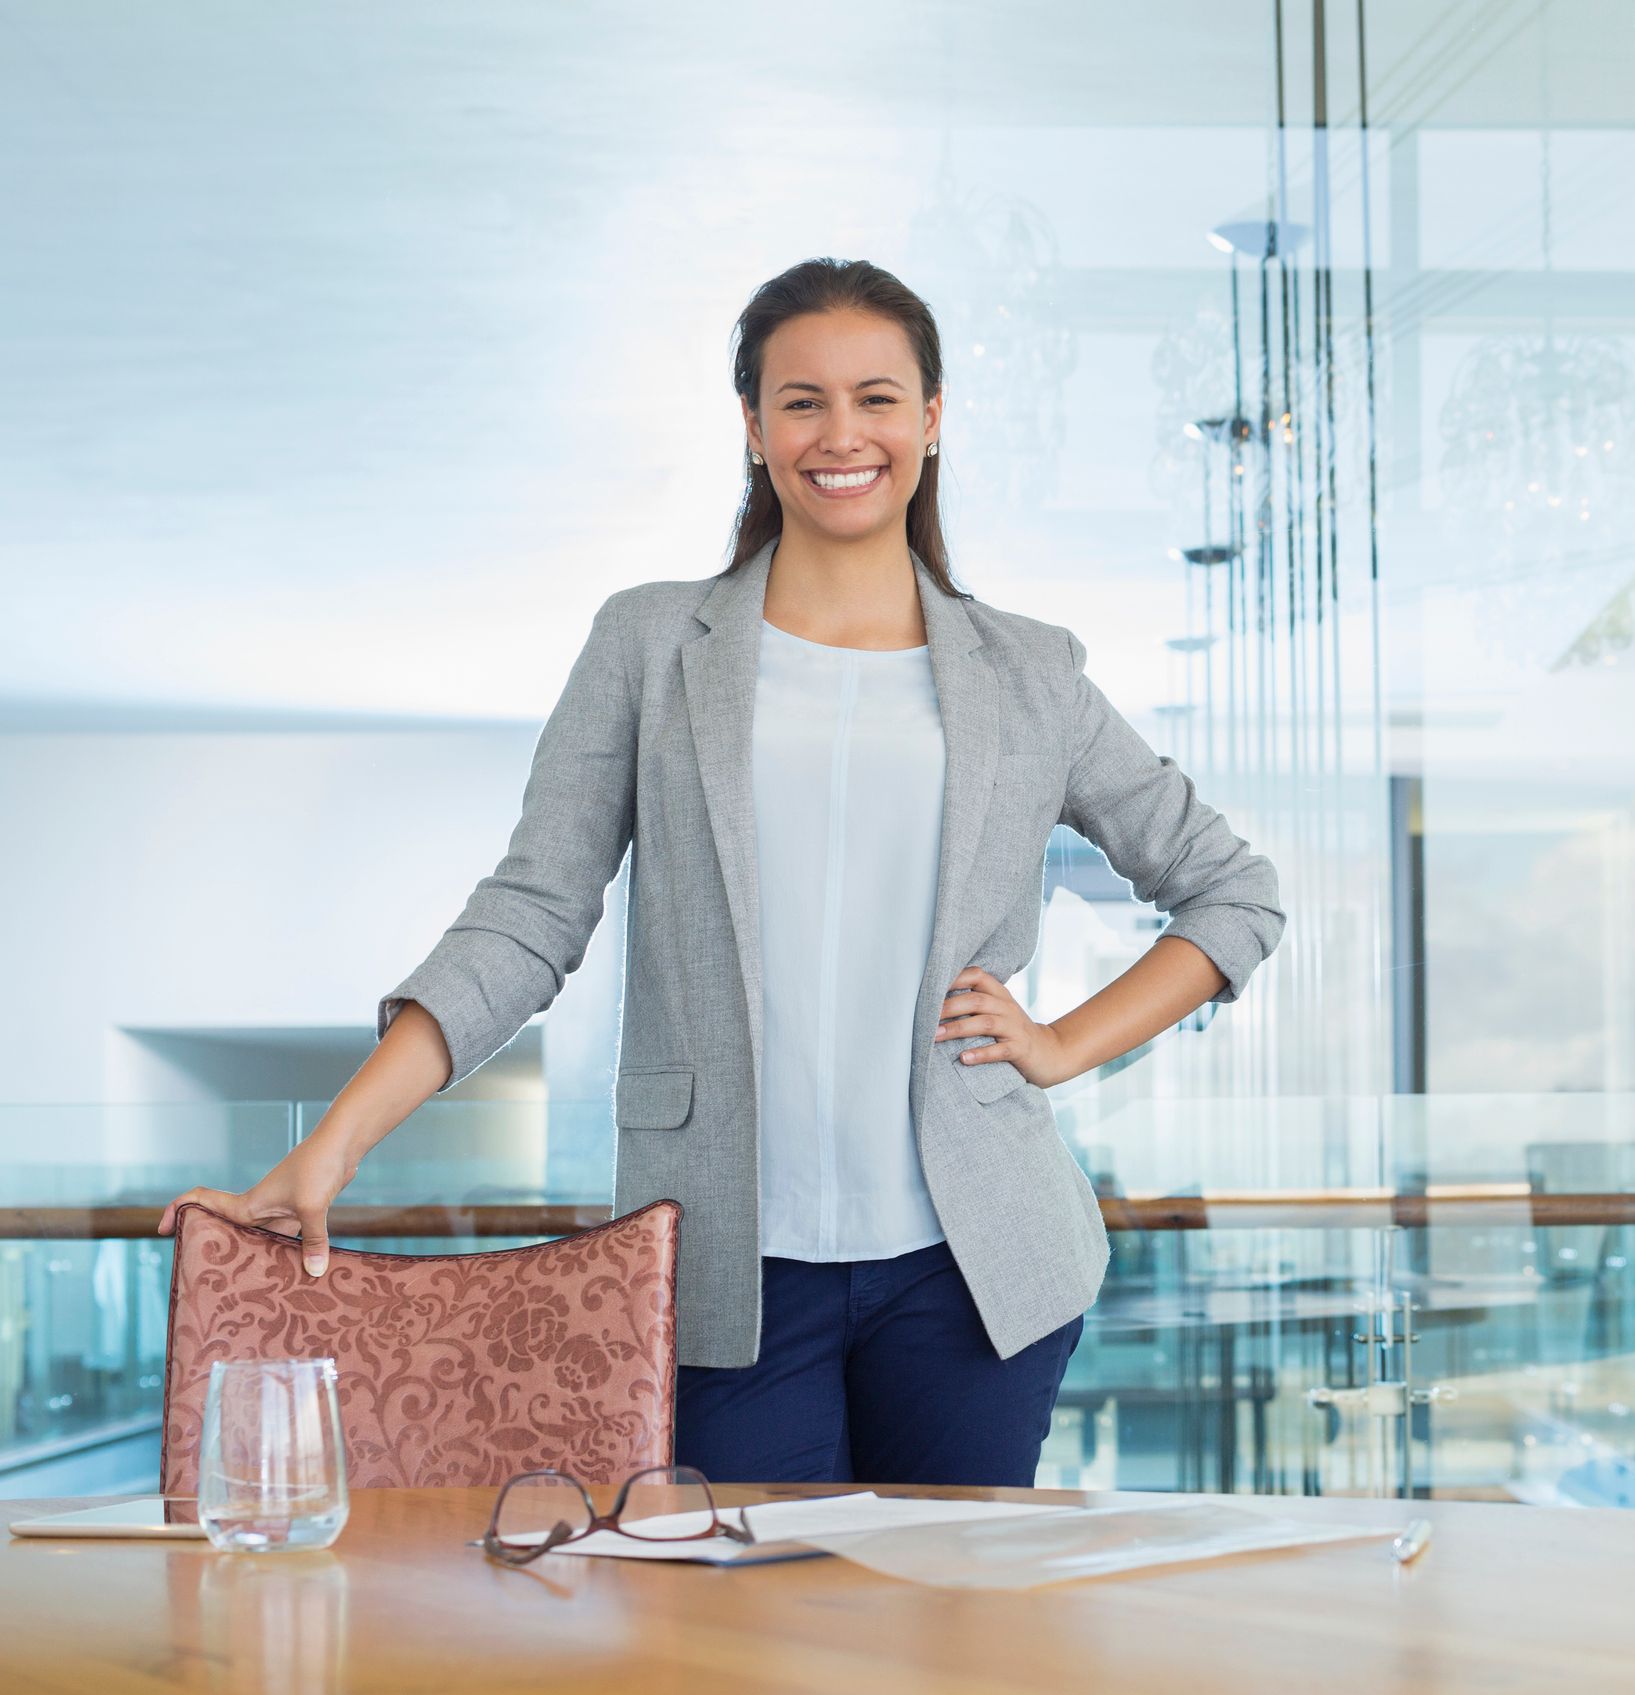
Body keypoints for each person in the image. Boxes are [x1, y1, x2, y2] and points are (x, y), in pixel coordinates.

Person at [159, 256, 1286, 1487]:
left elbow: (1233, 889)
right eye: (801, 401)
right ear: (752, 427)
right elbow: (531, 915)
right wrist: (337, 1140)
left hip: (978, 1274)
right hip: (723, 1269)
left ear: (933, 417)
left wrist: (1066, 1043)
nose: (841, 434)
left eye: (877, 398)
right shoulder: (651, 644)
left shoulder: (1031, 672)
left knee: (963, 1641)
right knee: (749, 1648)